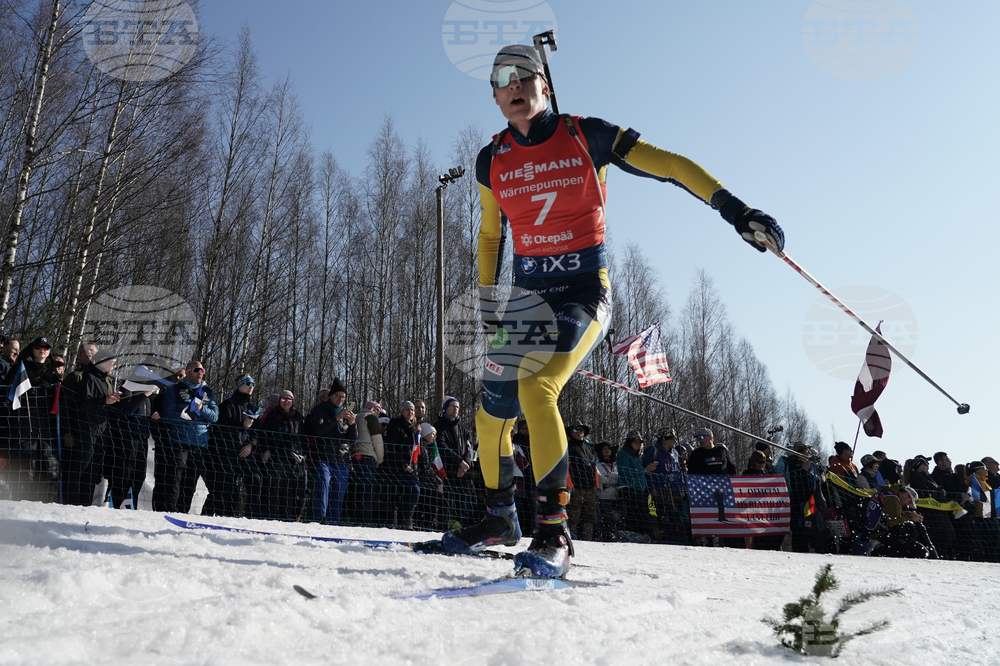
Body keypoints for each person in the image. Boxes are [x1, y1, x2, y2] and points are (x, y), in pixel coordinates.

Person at [419, 43, 783, 578]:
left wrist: (735, 209)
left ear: (544, 84)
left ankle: (554, 532)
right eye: (502, 78)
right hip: (526, 298)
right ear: (495, 96)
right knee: (489, 409)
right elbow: (491, 233)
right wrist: (489, 296)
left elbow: (671, 165)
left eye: (525, 75)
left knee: (536, 389)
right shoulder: (490, 158)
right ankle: (499, 518)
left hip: (584, 291)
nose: (514, 85)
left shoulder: (587, 135)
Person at [162, 360, 219, 513]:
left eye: (202, 370)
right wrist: (185, 416)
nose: (200, 373)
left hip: (200, 444)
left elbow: (214, 416)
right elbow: (166, 414)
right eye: (196, 370)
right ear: (187, 372)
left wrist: (201, 410)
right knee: (175, 479)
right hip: (179, 440)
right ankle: (171, 512)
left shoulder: (208, 392)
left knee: (190, 482)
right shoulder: (175, 389)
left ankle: (183, 514)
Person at [65, 349, 119, 506]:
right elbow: (83, 404)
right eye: (112, 363)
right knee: (80, 469)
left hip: (102, 430)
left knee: (93, 471)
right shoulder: (89, 377)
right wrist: (104, 400)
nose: (114, 367)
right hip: (87, 429)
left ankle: (85, 505)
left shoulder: (105, 380)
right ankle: (71, 504)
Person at [213, 375, 265, 517]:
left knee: (256, 479)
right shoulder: (227, 405)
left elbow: (257, 432)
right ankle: (223, 517)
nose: (251, 386)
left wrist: (251, 445)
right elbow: (219, 429)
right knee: (227, 487)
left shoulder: (253, 408)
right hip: (228, 453)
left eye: (253, 384)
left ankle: (251, 518)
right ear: (239, 384)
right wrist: (241, 425)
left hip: (246, 453)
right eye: (248, 383)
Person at [306, 378, 356, 524]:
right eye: (338, 396)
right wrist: (336, 418)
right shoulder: (319, 410)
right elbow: (319, 430)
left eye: (343, 397)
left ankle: (334, 522)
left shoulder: (347, 413)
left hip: (342, 459)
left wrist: (352, 425)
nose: (341, 400)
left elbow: (353, 439)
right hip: (323, 457)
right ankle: (319, 519)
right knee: (322, 484)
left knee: (338, 493)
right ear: (331, 396)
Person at [106, 387, 157, 509]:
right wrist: (143, 395)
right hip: (127, 437)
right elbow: (126, 409)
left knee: (140, 475)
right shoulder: (127, 389)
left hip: (143, 438)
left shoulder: (150, 396)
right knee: (125, 473)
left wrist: (155, 416)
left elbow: (148, 414)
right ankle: (118, 504)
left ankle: (132, 504)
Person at [642, 428, 687, 543]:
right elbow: (646, 471)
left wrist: (681, 485)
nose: (675, 441)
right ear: (664, 440)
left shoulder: (675, 453)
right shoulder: (654, 451)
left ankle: (677, 539)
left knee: (677, 517)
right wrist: (651, 486)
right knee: (663, 517)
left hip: (676, 490)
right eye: (672, 439)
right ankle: (664, 540)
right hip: (660, 490)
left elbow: (678, 471)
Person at [382, 400, 421, 529]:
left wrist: (417, 434)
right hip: (396, 466)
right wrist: (403, 465)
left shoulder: (414, 428)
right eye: (407, 410)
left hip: (410, 467)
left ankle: (406, 520)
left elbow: (416, 450)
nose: (410, 412)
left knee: (412, 490)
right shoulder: (395, 424)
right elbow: (393, 447)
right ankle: (405, 520)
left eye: (412, 410)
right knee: (412, 488)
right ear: (402, 411)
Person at [349, 399, 384, 525]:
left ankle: (356, 520)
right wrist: (379, 459)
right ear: (373, 409)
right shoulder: (371, 417)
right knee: (368, 494)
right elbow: (377, 440)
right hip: (367, 458)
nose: (379, 413)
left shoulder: (356, 417)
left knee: (358, 493)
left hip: (355, 457)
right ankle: (366, 523)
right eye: (378, 410)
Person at [615, 432, 655, 538]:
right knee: (635, 514)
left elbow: (639, 472)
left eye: (640, 443)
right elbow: (625, 472)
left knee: (642, 514)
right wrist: (645, 470)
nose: (638, 445)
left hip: (640, 489)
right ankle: (634, 535)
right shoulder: (623, 454)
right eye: (636, 442)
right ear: (629, 442)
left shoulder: (636, 456)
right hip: (628, 488)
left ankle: (642, 535)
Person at [564, 421, 598, 541]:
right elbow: (565, 467)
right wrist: (569, 485)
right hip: (574, 488)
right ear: (570, 432)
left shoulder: (589, 448)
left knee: (590, 518)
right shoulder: (566, 446)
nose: (579, 432)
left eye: (581, 430)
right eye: (575, 429)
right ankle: (571, 539)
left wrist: (595, 485)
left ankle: (588, 541)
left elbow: (594, 467)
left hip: (590, 488)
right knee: (573, 517)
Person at [594, 442, 620, 541]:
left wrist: (611, 477)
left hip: (617, 496)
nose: (607, 450)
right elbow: (602, 479)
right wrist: (614, 478)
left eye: (608, 448)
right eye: (604, 448)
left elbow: (621, 477)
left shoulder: (616, 464)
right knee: (606, 519)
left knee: (618, 520)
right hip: (604, 497)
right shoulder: (598, 464)